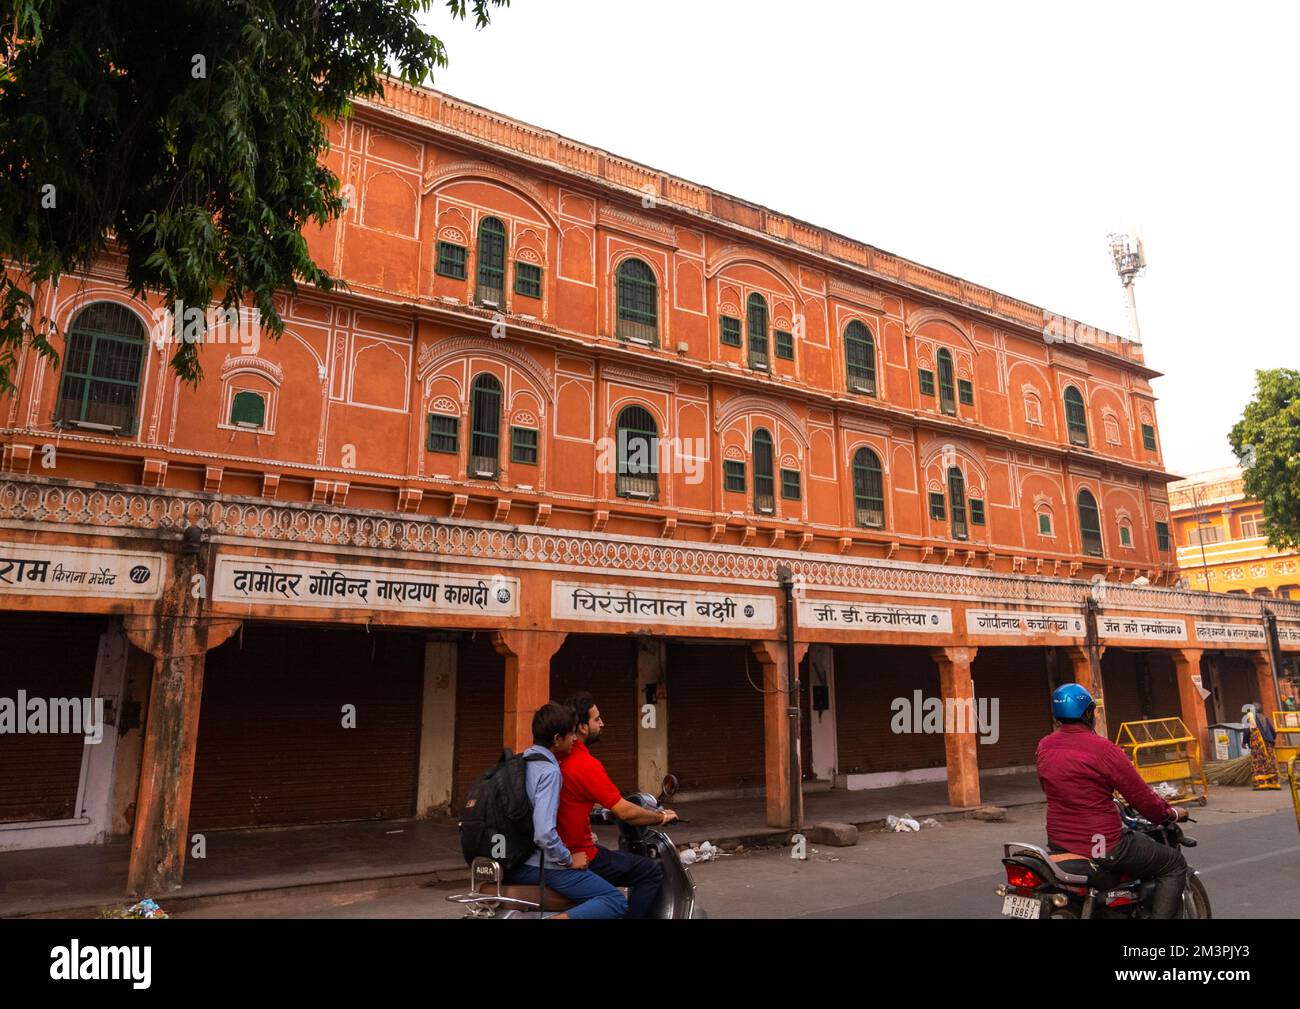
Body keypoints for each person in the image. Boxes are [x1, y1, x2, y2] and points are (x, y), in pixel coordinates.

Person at [1036, 683, 1190, 919]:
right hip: (1103, 844)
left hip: (1059, 842)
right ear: (1088, 713)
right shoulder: (1103, 749)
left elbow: (1051, 786)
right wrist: (1169, 813)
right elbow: (1141, 797)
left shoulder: (1045, 746)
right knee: (1174, 863)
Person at [557, 691, 677, 919]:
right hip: (580, 855)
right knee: (650, 871)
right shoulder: (584, 764)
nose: (602, 723)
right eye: (596, 719)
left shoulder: (556, 757)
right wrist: (660, 817)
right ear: (582, 727)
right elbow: (624, 811)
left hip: (560, 851)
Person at [504, 701, 627, 919]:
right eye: (570, 735)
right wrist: (568, 859)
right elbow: (544, 833)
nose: (574, 740)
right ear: (556, 740)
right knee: (614, 900)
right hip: (539, 864)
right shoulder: (550, 771)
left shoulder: (519, 762)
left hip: (511, 861)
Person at [1241, 703, 1280, 790]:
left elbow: (1247, 731)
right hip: (1269, 743)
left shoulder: (1251, 719)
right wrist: (1270, 740)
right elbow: (1273, 732)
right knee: (1270, 763)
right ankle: (1273, 783)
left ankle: (1261, 784)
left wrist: (1244, 742)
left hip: (1258, 746)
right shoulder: (1265, 718)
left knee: (1259, 763)